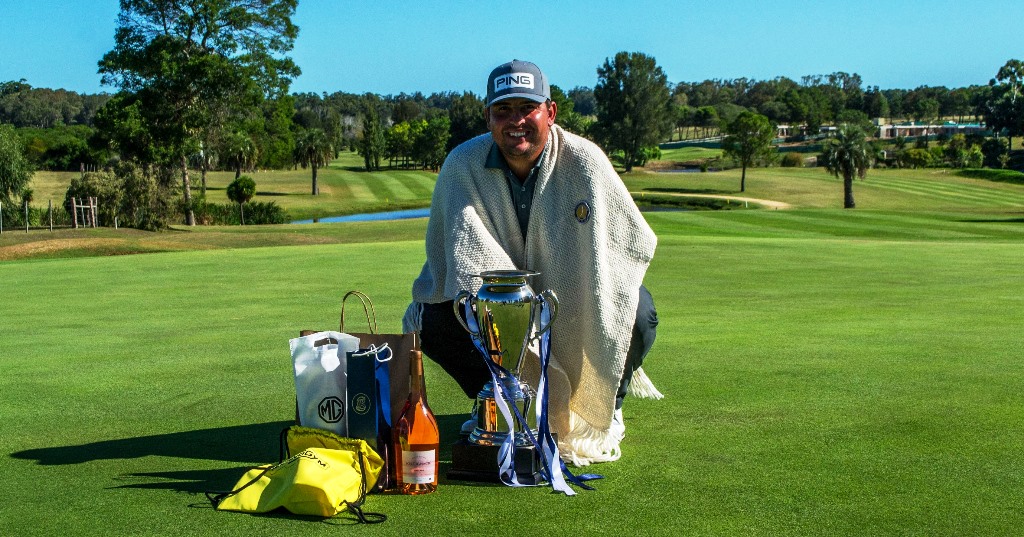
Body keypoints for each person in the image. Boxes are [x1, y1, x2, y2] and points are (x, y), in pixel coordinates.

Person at [402, 60, 659, 465]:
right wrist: (515, 306)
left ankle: (604, 404)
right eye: (503, 110)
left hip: (571, 299)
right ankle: (499, 402)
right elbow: (462, 257)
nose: (515, 121)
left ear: (550, 112)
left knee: (637, 310)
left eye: (528, 108)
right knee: (430, 318)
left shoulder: (587, 162)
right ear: (488, 117)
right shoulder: (460, 166)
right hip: (496, 305)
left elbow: (626, 244)